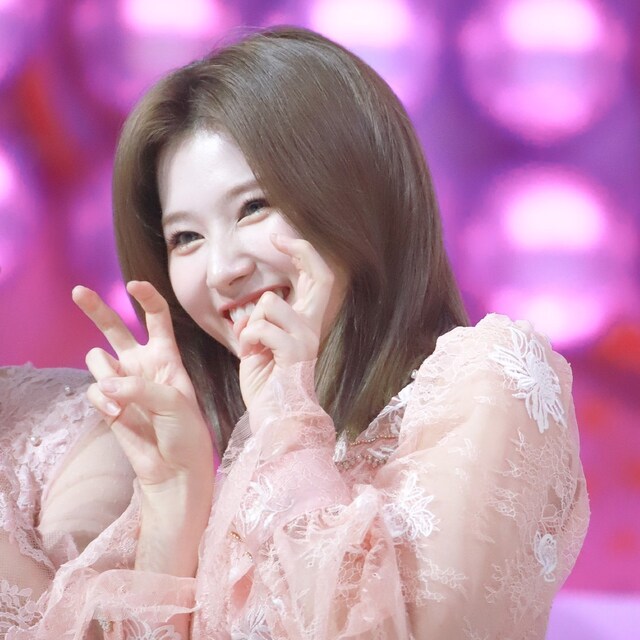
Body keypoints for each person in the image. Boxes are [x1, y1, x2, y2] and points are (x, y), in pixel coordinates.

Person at [1, 26, 588, 639]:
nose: (223, 270)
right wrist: (175, 496)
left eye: (253, 207)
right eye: (186, 237)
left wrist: (287, 418)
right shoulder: (244, 457)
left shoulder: (491, 377)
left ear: (357, 189)